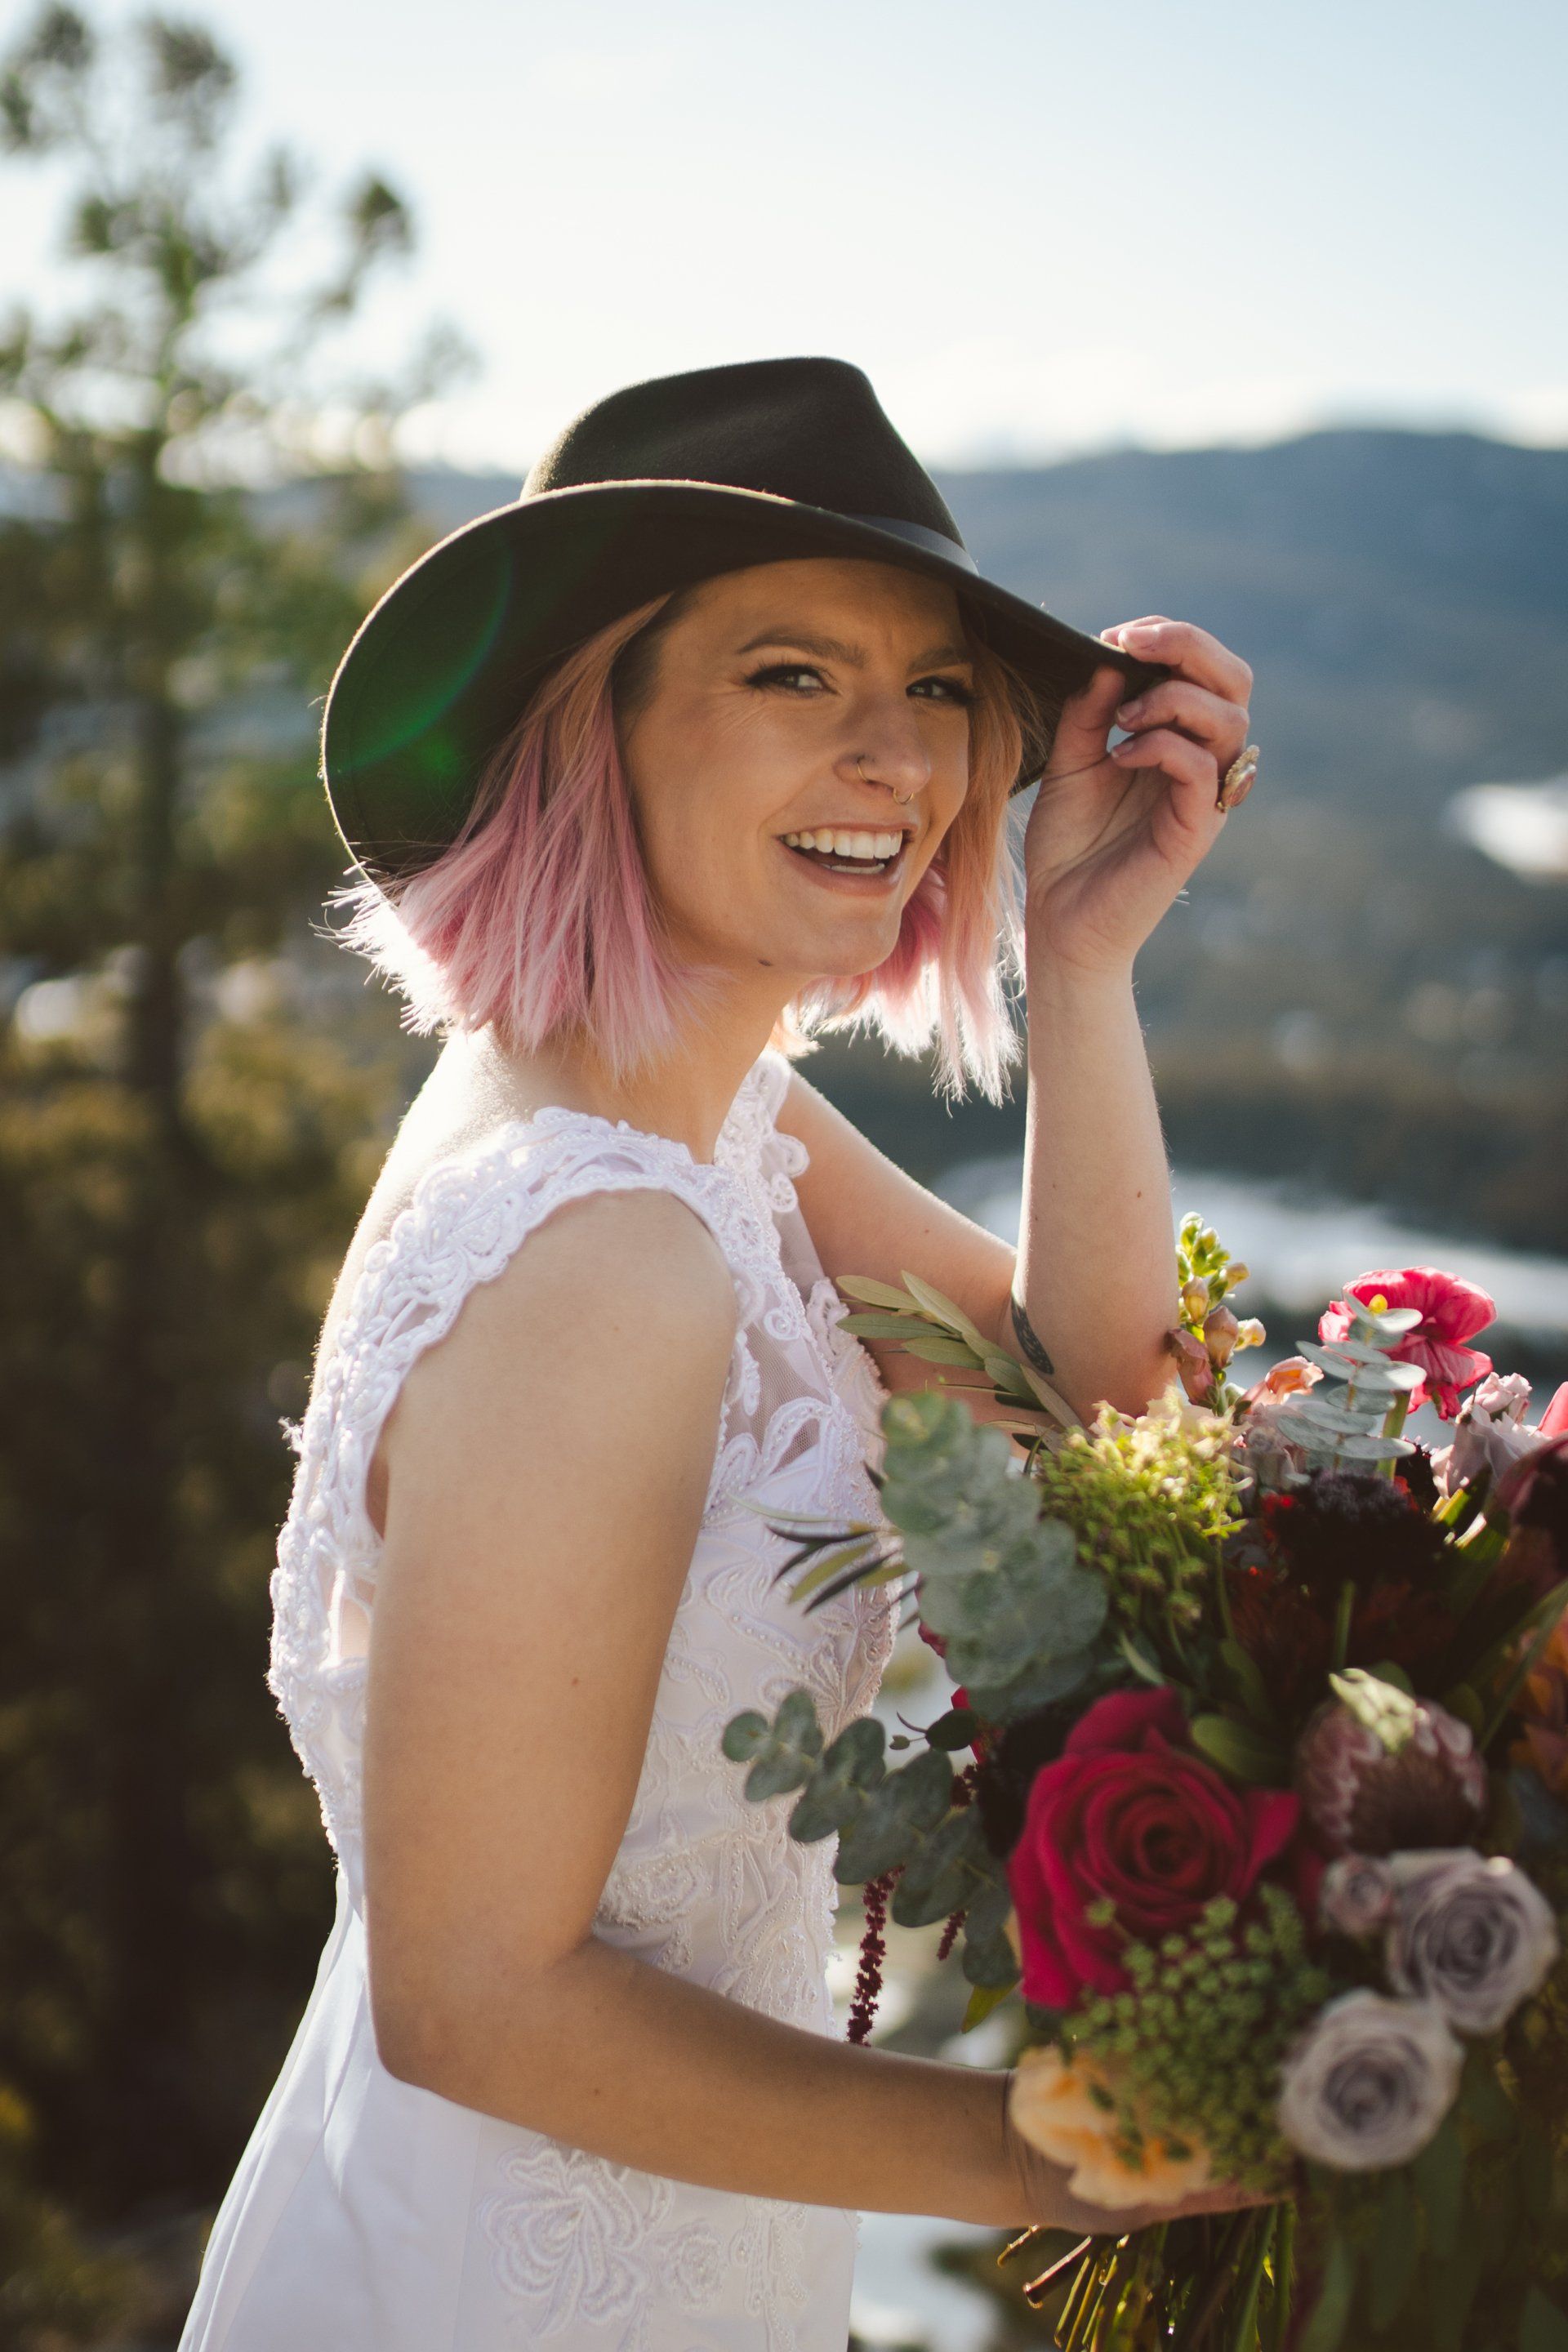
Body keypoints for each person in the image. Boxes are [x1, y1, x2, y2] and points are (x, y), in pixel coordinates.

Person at [178, 358, 1261, 2352]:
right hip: (493, 2289)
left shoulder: (709, 1113)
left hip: (694, 2248)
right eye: (792, 677)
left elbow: (1086, 1419)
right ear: (589, 722)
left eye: (940, 690)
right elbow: (474, 2001)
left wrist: (1082, 961)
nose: (902, 764)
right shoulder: (600, 1254)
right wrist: (1045, 2155)